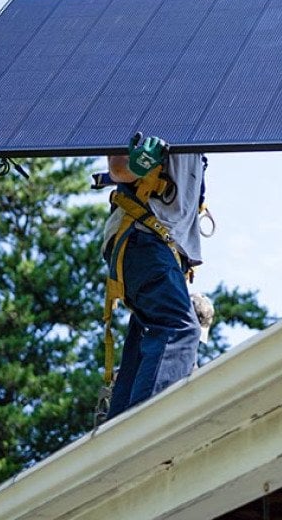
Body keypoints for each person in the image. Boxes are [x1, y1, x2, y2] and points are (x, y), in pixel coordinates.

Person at [101, 135, 206, 419]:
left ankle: (119, 429)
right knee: (179, 328)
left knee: (147, 338)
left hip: (156, 247)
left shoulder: (197, 131)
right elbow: (119, 169)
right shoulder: (154, 107)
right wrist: (140, 162)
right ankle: (147, 430)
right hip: (144, 237)